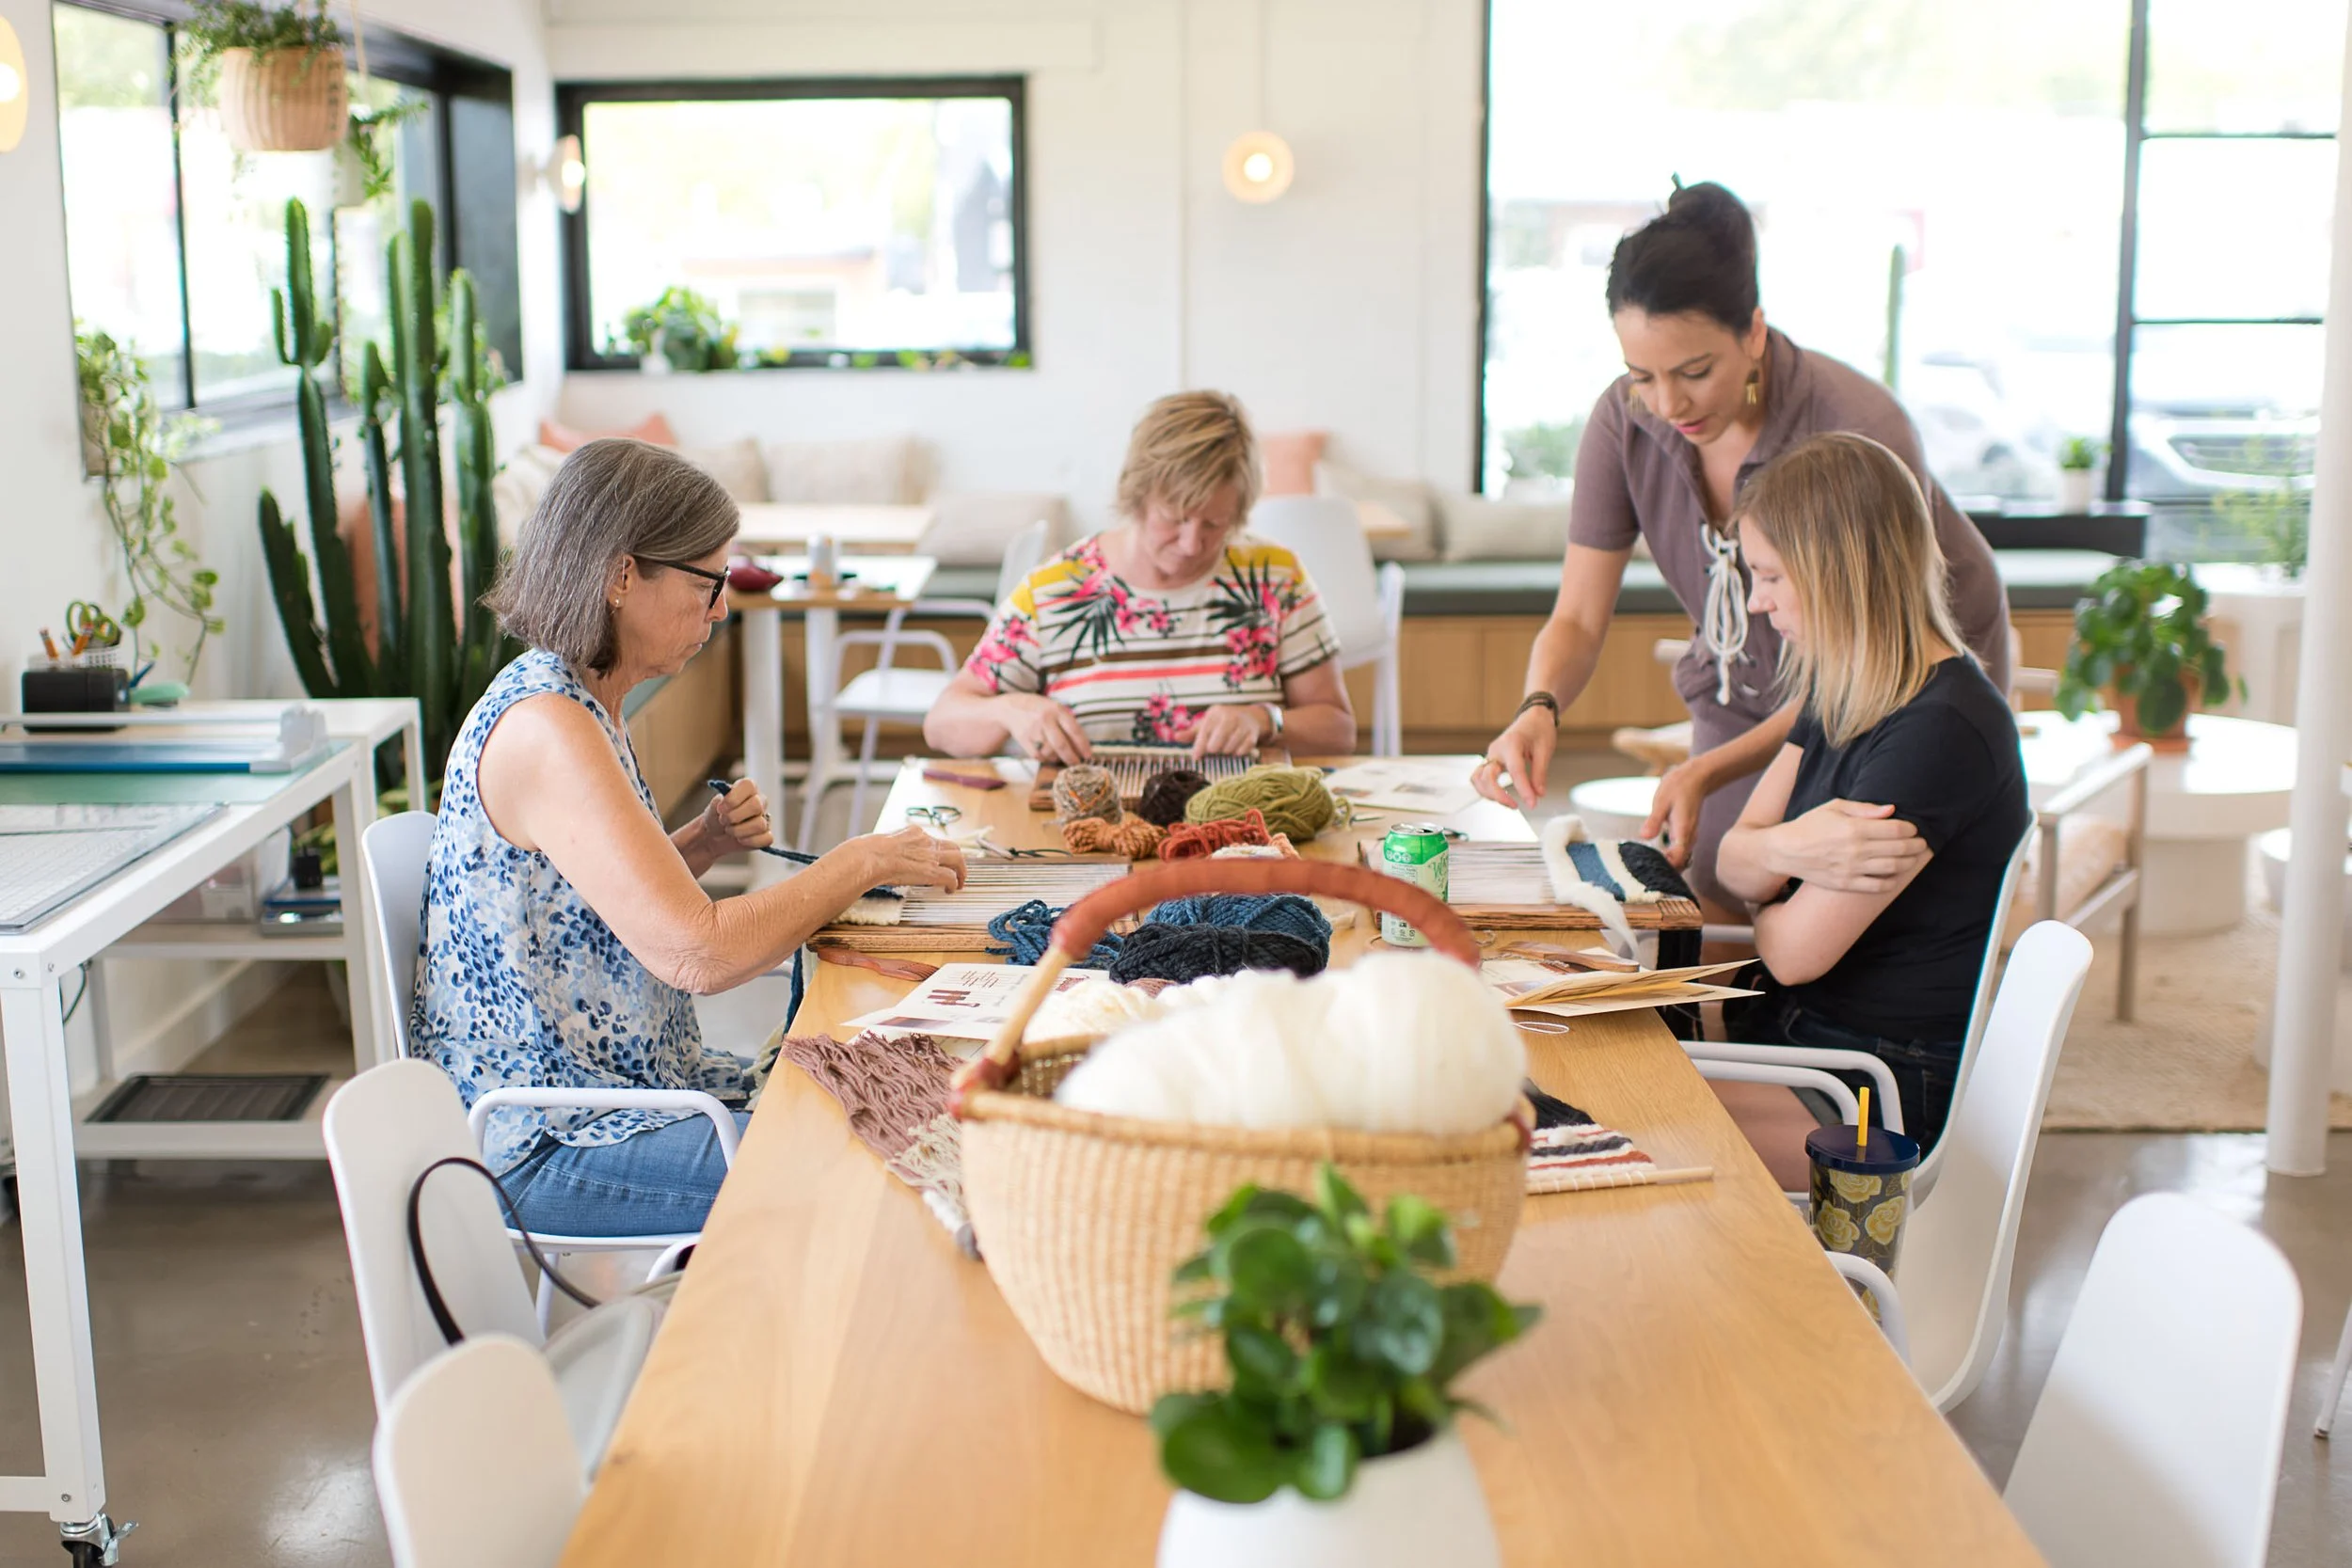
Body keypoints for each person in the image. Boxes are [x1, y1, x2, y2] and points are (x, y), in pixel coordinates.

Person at [411, 438, 965, 1237]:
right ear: (621, 575)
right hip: (552, 1141)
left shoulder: (578, 699)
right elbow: (698, 954)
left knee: (900, 1099)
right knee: (873, 1165)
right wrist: (862, 858)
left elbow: (581, 904)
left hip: (621, 1098)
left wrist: (700, 845)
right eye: (710, 583)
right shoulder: (549, 728)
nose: (721, 609)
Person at [1471, 182, 2011, 913]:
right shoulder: (1623, 424)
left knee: (1835, 928)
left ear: (1754, 333)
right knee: (1720, 889)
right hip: (1748, 678)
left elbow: (1863, 665)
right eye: (1642, 376)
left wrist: (1708, 769)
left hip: (1889, 687)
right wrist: (1539, 707)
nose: (1668, 404)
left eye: (1695, 372)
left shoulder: (1852, 423)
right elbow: (1577, 617)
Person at [1712, 432, 2028, 1150]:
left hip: (1874, 1090)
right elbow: (1733, 860)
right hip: (1808, 1043)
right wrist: (1791, 847)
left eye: (1770, 576)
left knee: (1620, 1106)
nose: (1758, 603)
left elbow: (1793, 952)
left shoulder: (1938, 732)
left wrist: (1766, 887)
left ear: (1833, 572)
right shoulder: (1849, 681)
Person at [924, 390, 1355, 762]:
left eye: (1214, 525)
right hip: (1090, 839)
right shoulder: (1055, 590)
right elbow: (942, 723)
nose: (1191, 544)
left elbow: (1338, 730)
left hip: (1238, 837)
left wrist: (1265, 720)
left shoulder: (1272, 577)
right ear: (1137, 496)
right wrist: (1011, 710)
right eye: (1175, 518)